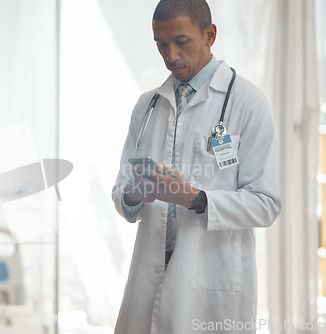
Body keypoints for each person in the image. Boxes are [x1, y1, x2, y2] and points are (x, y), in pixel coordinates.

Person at [111, 0, 281, 333]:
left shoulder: (248, 103)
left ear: (209, 34)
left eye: (181, 41)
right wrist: (133, 193)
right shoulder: (147, 106)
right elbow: (120, 193)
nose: (170, 55)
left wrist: (195, 198)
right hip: (148, 281)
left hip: (210, 286)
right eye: (161, 44)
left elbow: (266, 204)